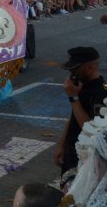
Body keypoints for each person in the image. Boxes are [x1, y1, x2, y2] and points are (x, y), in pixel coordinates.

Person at [54, 46, 107, 177]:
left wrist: (73, 98)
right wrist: (62, 144)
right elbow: (72, 117)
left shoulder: (101, 93)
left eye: (75, 69)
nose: (71, 73)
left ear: (89, 68)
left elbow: (92, 131)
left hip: (88, 158)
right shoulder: (80, 86)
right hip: (72, 152)